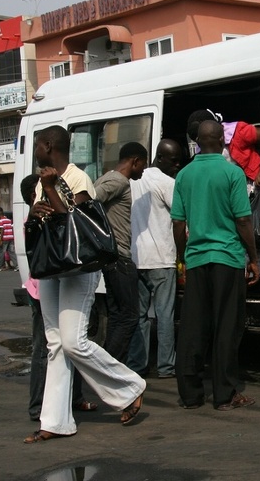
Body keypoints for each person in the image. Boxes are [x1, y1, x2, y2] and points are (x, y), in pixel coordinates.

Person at [23, 125, 146, 443]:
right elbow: (46, 222)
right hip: (51, 268)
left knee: (74, 341)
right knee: (55, 345)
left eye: (37, 145)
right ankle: (55, 422)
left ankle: (129, 387)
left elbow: (73, 222)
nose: (35, 151)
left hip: (80, 268)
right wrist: (36, 212)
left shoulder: (78, 178)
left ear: (48, 146)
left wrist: (51, 191)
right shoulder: (41, 180)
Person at [171, 119, 260, 411]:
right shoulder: (232, 173)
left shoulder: (184, 175)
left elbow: (179, 222)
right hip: (227, 258)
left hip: (197, 259)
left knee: (193, 327)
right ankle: (224, 395)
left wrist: (183, 255)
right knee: (226, 326)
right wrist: (253, 257)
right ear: (222, 140)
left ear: (197, 142)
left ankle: (190, 394)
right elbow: (243, 220)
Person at [20, 174, 96, 422]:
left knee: (64, 345)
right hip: (41, 289)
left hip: (50, 284)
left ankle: (67, 403)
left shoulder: (44, 216)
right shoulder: (35, 219)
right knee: (49, 349)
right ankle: (39, 407)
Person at [128, 139, 183, 379]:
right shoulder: (166, 183)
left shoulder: (131, 181)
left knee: (140, 317)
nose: (178, 165)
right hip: (162, 258)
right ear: (160, 158)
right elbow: (181, 217)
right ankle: (166, 367)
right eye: (174, 161)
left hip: (136, 257)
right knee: (165, 316)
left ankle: (138, 365)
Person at [94, 142, 149, 364]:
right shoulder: (118, 181)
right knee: (130, 316)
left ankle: (109, 364)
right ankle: (109, 366)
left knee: (117, 315)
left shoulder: (107, 177)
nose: (143, 170)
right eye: (143, 165)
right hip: (119, 257)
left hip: (110, 258)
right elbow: (88, 199)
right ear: (134, 161)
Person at [0, 207, 17, 272]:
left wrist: (1, 240)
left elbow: (2, 230)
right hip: (11, 238)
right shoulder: (9, 220)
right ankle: (17, 266)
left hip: (5, 238)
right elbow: (12, 229)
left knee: (1, 253)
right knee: (12, 252)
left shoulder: (0, 221)